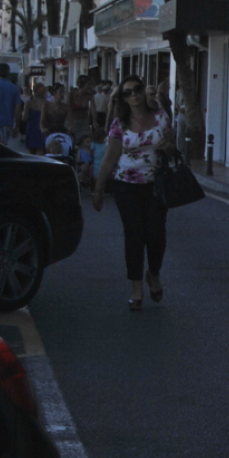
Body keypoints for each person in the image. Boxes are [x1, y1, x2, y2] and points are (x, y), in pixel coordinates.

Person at [91, 75, 176, 311]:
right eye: (127, 92)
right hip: (126, 186)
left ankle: (154, 274)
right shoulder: (119, 124)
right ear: (122, 98)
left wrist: (168, 147)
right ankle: (136, 286)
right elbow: (110, 158)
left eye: (137, 89)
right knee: (134, 235)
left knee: (156, 234)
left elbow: (173, 147)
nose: (134, 95)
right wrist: (98, 189)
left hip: (156, 184)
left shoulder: (161, 118)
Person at [0, 63, 20, 143]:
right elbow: (18, 109)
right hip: (8, 122)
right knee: (3, 147)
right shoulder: (14, 88)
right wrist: (17, 126)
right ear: (8, 73)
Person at [22, 82, 47, 155]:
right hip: (42, 130)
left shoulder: (29, 103)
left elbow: (24, 118)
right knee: (41, 153)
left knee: (31, 154)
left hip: (31, 129)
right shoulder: (47, 103)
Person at [69, 75, 94, 141]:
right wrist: (70, 123)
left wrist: (94, 121)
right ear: (82, 85)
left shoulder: (89, 95)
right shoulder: (71, 94)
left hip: (84, 122)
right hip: (74, 121)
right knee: (73, 141)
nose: (90, 86)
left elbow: (93, 108)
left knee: (86, 141)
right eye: (88, 84)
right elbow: (68, 110)